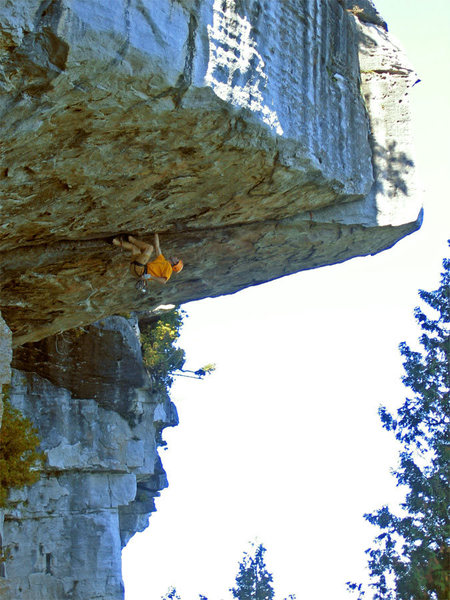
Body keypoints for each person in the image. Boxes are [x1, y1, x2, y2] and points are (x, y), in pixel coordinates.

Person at [112, 233, 183, 284]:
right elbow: (157, 246)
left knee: (150, 248)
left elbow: (164, 281)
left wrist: (151, 276)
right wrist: (156, 233)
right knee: (135, 248)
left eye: (177, 260)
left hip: (141, 270)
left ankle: (130, 239)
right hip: (136, 270)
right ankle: (114, 241)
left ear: (174, 264)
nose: (176, 258)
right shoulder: (163, 260)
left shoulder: (169, 268)